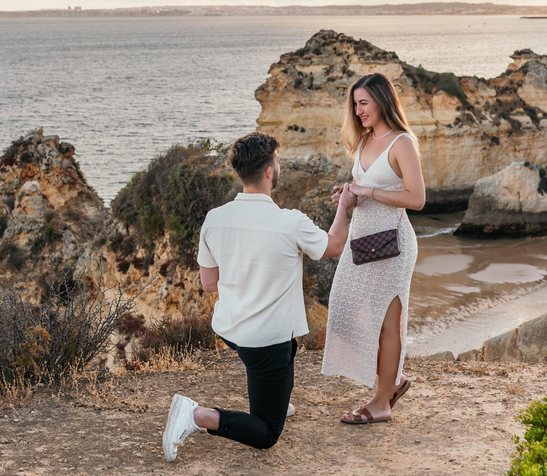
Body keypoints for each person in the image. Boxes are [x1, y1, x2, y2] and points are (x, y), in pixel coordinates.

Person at [163, 132, 357, 462]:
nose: (278, 166)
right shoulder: (290, 222)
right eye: (277, 161)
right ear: (269, 171)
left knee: (277, 363)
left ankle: (277, 401)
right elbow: (334, 246)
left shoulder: (215, 219)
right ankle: (195, 416)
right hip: (266, 341)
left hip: (230, 329)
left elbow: (209, 283)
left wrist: (245, 267)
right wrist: (345, 207)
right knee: (266, 433)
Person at [322, 72, 425, 424]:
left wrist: (367, 192)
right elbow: (366, 184)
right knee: (343, 311)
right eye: (355, 104)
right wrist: (350, 193)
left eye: (363, 103)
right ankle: (392, 378)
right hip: (361, 242)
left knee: (387, 324)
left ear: (382, 100)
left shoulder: (403, 143)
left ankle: (381, 403)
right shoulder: (365, 141)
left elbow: (417, 198)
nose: (358, 110)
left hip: (393, 246)